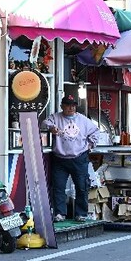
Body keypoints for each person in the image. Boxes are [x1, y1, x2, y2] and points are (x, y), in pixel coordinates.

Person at [43, 94, 99, 222]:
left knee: (81, 186)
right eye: (68, 105)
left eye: (73, 105)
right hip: (59, 158)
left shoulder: (83, 120)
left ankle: (81, 213)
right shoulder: (56, 117)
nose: (71, 108)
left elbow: (95, 131)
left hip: (79, 157)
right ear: (62, 106)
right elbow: (44, 122)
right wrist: (51, 128)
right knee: (58, 186)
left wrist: (90, 145)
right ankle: (60, 213)